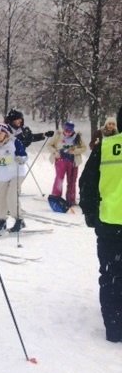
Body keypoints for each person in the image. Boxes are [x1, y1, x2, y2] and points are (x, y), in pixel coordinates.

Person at [79, 106, 122, 343]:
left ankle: (115, 328)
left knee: (110, 276)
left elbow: (87, 182)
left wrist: (91, 214)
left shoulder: (106, 147)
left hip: (109, 223)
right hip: (109, 223)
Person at [48, 121, 87, 207]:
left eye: (70, 130)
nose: (68, 132)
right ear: (63, 129)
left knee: (72, 180)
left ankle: (71, 199)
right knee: (59, 178)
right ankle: (56, 196)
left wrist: (75, 151)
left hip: (73, 161)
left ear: (73, 130)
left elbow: (84, 147)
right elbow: (49, 145)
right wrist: (55, 152)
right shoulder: (58, 135)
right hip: (61, 160)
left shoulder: (77, 137)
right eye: (66, 130)